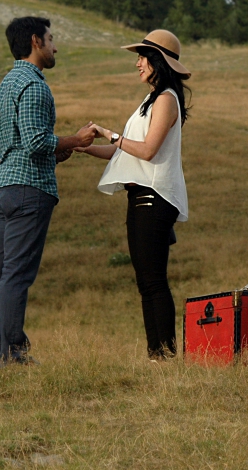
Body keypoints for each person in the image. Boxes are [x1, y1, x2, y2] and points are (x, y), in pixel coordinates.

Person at [0, 16, 96, 366]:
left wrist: (57, 153)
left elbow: (7, 147)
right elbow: (34, 140)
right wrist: (77, 139)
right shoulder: (33, 84)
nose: (55, 45)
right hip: (29, 191)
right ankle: (14, 354)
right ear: (35, 41)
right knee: (16, 275)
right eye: (51, 38)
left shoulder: (5, 85)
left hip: (4, 187)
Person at [78, 29, 191, 359]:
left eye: (142, 57)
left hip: (153, 197)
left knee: (153, 281)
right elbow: (121, 154)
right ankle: (158, 353)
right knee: (148, 281)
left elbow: (147, 151)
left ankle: (164, 353)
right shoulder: (153, 100)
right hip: (144, 197)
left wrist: (108, 133)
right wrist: (83, 148)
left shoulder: (167, 98)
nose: (138, 64)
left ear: (158, 61)